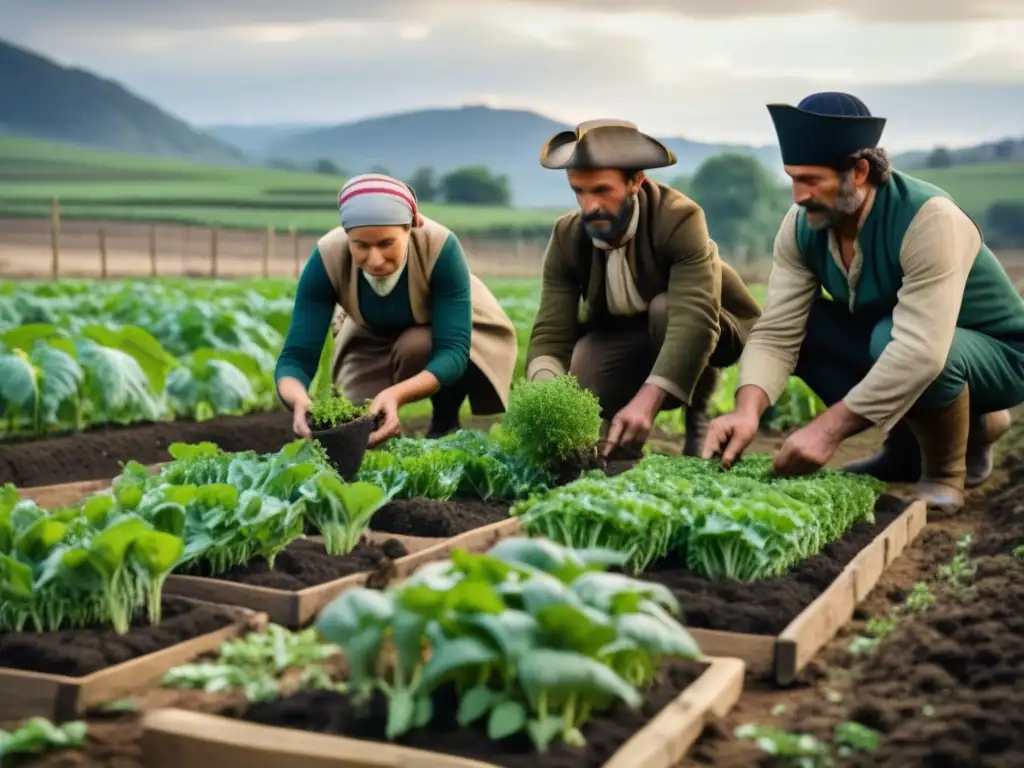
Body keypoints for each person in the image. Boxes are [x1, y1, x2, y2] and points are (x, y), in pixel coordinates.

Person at [702, 92, 1024, 513]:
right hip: (897, 343)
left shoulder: (929, 219)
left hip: (998, 355)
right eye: (793, 178)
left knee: (894, 340)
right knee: (811, 326)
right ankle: (918, 445)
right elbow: (778, 330)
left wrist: (826, 431)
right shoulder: (803, 226)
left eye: (812, 180)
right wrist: (748, 411)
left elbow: (921, 352)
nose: (798, 195)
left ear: (859, 172)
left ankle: (946, 471)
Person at [525, 119, 762, 457]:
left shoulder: (679, 218)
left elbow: (694, 320)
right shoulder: (568, 235)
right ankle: (622, 438)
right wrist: (547, 399)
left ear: (636, 181)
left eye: (602, 190)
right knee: (580, 382)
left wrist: (646, 405)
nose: (589, 206)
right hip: (625, 330)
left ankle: (696, 415)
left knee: (667, 311)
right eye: (580, 191)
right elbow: (551, 330)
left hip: (710, 325)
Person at [274, 173, 519, 447]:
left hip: (449, 327)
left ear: (409, 228)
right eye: (361, 246)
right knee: (360, 428)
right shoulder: (327, 258)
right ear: (347, 236)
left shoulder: (440, 248)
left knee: (418, 345)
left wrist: (396, 394)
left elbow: (453, 351)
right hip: (370, 330)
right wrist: (299, 401)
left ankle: (445, 418)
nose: (375, 259)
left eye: (385, 243)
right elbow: (296, 357)